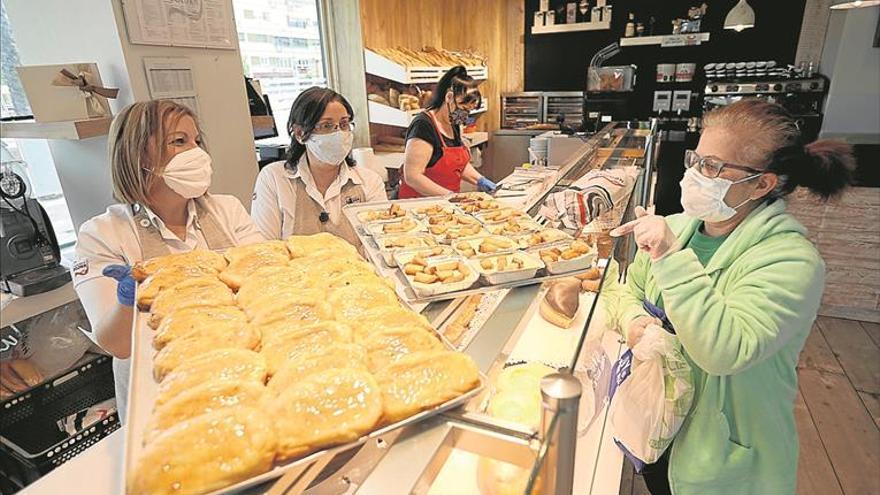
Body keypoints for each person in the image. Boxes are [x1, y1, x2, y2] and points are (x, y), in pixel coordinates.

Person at [610, 98, 854, 495]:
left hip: (720, 457)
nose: (694, 176)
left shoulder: (792, 262)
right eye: (696, 160)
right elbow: (622, 290)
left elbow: (723, 350)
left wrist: (670, 257)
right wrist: (633, 323)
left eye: (712, 167)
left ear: (762, 183)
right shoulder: (679, 226)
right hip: (659, 425)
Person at [72, 100, 265, 419]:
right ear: (138, 155)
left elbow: (261, 285)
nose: (197, 153)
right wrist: (127, 303)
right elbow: (116, 345)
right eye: (179, 141)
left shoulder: (226, 210)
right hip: (162, 396)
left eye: (196, 141)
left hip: (238, 373)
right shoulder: (103, 234)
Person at [250, 87, 386, 245]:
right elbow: (265, 248)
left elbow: (380, 245)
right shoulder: (274, 180)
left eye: (344, 124)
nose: (339, 133)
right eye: (327, 126)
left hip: (356, 269)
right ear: (300, 133)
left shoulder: (369, 181)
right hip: (296, 269)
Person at [398, 66, 496, 198]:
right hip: (419, 205)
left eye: (469, 111)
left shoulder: (452, 122)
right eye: (463, 108)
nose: (465, 115)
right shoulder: (423, 125)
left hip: (445, 203)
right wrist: (450, 196)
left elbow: (457, 165)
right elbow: (412, 176)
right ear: (449, 98)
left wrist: (480, 180)